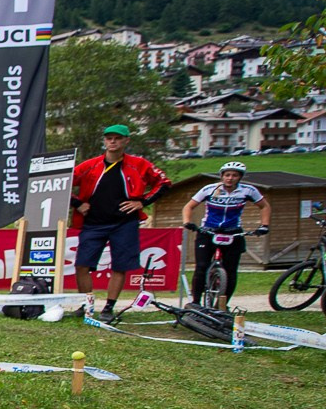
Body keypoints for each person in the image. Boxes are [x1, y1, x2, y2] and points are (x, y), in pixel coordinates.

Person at [71, 125, 168, 320]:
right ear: (104, 141)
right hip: (93, 222)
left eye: (117, 138)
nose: (113, 141)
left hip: (124, 223)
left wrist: (142, 202)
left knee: (119, 266)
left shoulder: (139, 164)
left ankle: (109, 307)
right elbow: (62, 183)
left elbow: (164, 182)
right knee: (82, 265)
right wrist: (78, 203)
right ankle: (86, 304)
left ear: (126, 141)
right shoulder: (90, 165)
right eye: (109, 138)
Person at [182, 162, 270, 311]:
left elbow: (264, 206)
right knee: (201, 267)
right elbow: (188, 206)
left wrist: (264, 225)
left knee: (231, 271)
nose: (230, 178)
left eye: (234, 175)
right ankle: (195, 303)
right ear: (222, 176)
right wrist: (187, 222)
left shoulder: (248, 191)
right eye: (227, 175)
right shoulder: (209, 189)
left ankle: (223, 305)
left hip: (233, 232)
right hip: (208, 231)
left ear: (240, 177)